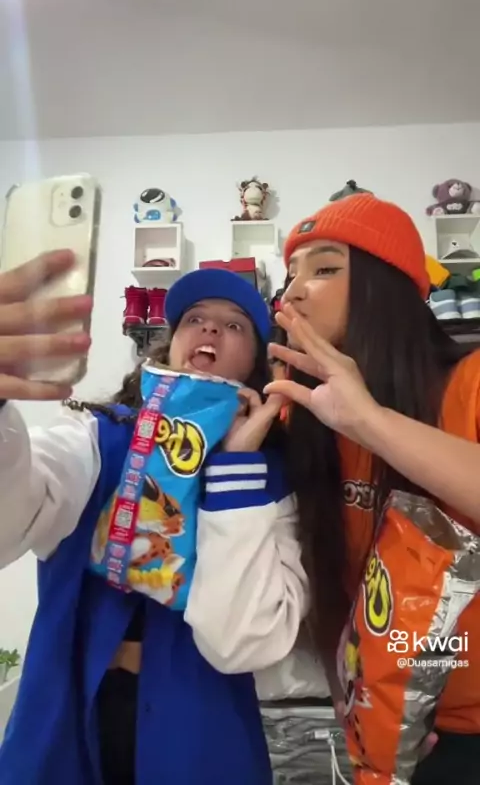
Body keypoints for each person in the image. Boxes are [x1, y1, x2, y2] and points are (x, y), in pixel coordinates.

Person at [0, 253, 307, 785]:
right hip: (66, 729)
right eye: (194, 318)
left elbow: (245, 642)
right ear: (170, 345)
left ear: (256, 367)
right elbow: (10, 521)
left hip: (203, 744)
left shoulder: (272, 482)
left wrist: (235, 469)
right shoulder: (96, 437)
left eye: (234, 325)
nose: (209, 328)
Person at [266, 193, 480, 785]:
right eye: (290, 275)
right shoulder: (305, 418)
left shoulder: (468, 382)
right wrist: (352, 692)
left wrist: (371, 423)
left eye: (324, 268)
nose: (294, 292)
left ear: (384, 288)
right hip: (381, 724)